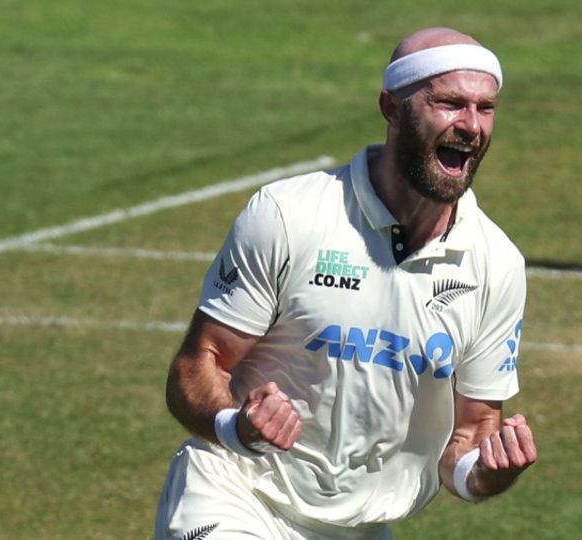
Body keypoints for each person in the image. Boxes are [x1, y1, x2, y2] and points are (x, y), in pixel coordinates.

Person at [155, 26, 538, 540]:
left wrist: (487, 472)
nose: (470, 125)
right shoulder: (290, 216)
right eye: (449, 103)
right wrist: (236, 427)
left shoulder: (496, 265)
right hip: (237, 496)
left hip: (361, 526)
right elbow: (197, 365)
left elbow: (468, 435)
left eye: (485, 108)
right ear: (392, 108)